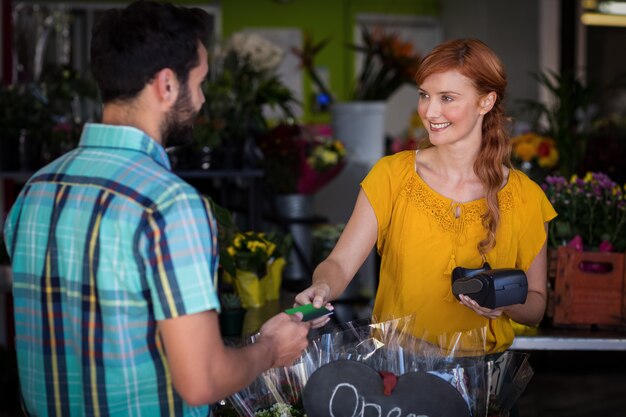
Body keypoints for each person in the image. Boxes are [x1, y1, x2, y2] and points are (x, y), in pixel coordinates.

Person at [3, 1, 310, 416]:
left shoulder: (36, 191)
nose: (201, 100)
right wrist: (270, 348)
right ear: (166, 85)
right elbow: (202, 381)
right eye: (199, 82)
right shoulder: (169, 206)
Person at [295, 38, 557, 354]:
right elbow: (339, 263)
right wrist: (321, 288)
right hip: (397, 371)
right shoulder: (392, 175)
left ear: (485, 102)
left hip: (480, 380)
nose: (430, 111)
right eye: (424, 95)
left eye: (447, 98)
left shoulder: (527, 196)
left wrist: (503, 305)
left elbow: (536, 306)